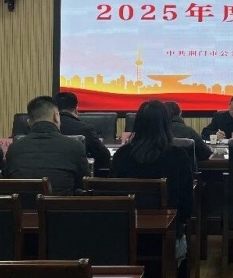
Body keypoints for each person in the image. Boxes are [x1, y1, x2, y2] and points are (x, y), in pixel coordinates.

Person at [111, 100, 194, 265]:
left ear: (137, 124)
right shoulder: (178, 157)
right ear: (166, 125)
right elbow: (186, 208)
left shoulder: (121, 155)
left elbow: (112, 198)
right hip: (166, 240)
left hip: (125, 240)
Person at [4, 96, 90, 195]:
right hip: (62, 204)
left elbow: (8, 184)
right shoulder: (75, 146)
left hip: (23, 205)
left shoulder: (14, 148)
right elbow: (84, 186)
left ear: (29, 122)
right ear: (56, 117)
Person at [54, 91, 112, 170]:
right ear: (76, 109)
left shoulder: (49, 127)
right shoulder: (85, 129)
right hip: (80, 175)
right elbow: (105, 156)